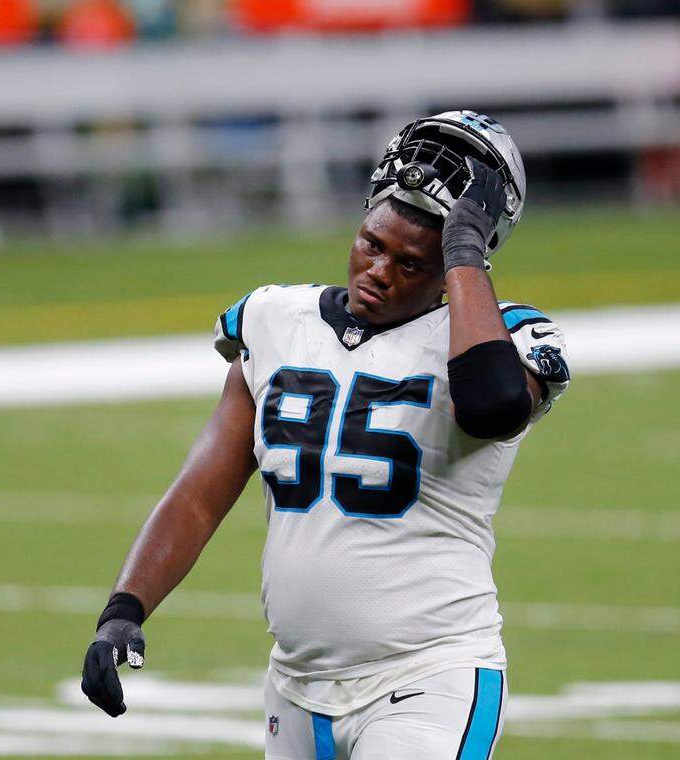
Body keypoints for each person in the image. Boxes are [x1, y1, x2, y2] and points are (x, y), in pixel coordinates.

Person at [81, 110, 571, 759]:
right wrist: (124, 607)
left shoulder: (498, 336)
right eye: (372, 243)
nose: (379, 270)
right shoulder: (276, 320)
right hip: (297, 686)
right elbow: (201, 490)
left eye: (411, 262)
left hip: (429, 675)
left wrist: (464, 255)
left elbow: (493, 406)